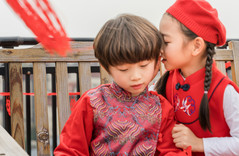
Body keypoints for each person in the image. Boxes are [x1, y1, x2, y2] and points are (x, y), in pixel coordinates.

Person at [54, 14, 189, 156]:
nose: (136, 76)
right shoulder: (92, 102)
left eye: (143, 66)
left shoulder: (161, 108)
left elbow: (170, 151)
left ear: (157, 63)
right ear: (107, 67)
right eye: (124, 69)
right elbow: (70, 150)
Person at [155, 0, 239, 155]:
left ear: (196, 46)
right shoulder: (167, 81)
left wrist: (199, 143)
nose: (159, 48)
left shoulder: (224, 91)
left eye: (166, 42)